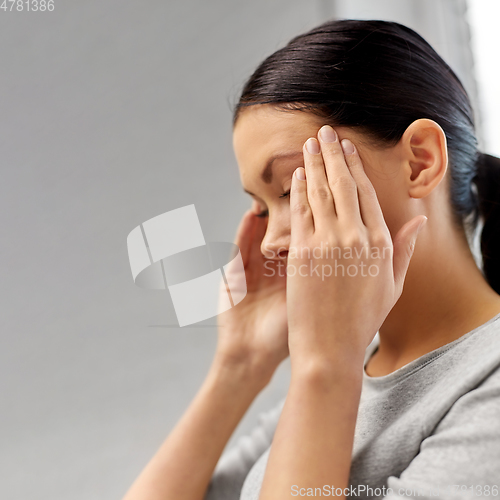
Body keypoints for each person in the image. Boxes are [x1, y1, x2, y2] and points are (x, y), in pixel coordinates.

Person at [122, 19, 500, 500]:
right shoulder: (344, 370)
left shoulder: (482, 381)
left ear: (420, 161)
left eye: (292, 188)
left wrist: (326, 364)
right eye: (261, 208)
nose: (269, 242)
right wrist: (239, 366)